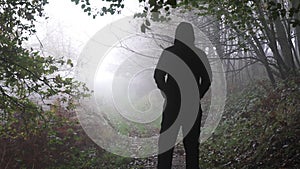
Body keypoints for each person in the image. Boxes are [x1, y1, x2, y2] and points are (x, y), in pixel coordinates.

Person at [154, 22, 212, 169]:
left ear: (177, 35)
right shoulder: (199, 54)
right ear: (191, 35)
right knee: (192, 146)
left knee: (166, 145)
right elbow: (207, 79)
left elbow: (158, 76)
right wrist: (198, 94)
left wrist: (167, 92)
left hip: (172, 105)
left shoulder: (169, 53)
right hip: (192, 106)